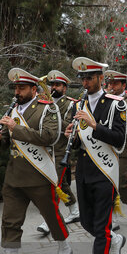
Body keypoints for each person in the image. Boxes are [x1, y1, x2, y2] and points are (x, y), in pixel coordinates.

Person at [0, 68, 71, 254]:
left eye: (22, 88)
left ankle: (64, 246)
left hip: (38, 174)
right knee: (10, 222)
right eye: (15, 88)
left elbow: (50, 137)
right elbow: (8, 140)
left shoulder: (47, 109)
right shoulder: (12, 109)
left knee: (51, 216)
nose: (17, 92)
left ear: (34, 89)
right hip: (14, 175)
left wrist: (15, 129)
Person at [65, 57, 127, 254]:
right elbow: (80, 140)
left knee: (100, 225)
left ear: (101, 79)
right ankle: (114, 239)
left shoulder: (115, 104)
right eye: (82, 78)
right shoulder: (76, 105)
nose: (85, 82)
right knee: (88, 222)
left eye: (89, 77)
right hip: (83, 169)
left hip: (105, 170)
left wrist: (93, 124)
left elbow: (119, 139)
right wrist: (72, 134)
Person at [36, 70, 80, 235]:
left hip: (61, 148)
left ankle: (50, 221)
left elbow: (68, 125)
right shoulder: (43, 102)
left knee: (54, 184)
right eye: (52, 84)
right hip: (45, 149)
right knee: (62, 184)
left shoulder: (70, 104)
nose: (54, 87)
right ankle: (75, 211)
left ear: (65, 88)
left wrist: (51, 112)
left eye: (57, 85)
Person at [105, 70, 127, 229]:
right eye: (110, 83)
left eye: (115, 84)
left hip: (123, 143)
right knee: (107, 181)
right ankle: (112, 216)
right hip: (106, 142)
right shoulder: (104, 99)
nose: (111, 86)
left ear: (123, 86)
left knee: (120, 181)